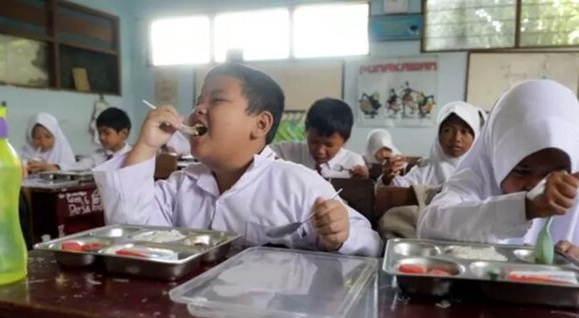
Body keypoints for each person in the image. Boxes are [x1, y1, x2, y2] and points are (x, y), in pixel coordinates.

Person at [93, 63, 381, 256]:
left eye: (216, 100)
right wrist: (146, 146)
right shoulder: (181, 185)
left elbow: (371, 243)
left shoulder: (297, 184)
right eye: (198, 101)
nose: (199, 109)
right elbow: (132, 235)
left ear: (260, 124)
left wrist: (341, 234)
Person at [418, 80, 579, 259]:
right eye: (522, 170)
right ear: (498, 157)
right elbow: (430, 227)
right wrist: (524, 207)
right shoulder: (477, 179)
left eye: (553, 175)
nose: (536, 186)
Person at [380, 101, 480, 188]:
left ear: (475, 136)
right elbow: (397, 189)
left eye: (464, 131)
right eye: (448, 130)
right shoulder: (424, 171)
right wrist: (387, 178)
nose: (456, 138)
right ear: (439, 136)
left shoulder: (482, 171)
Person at [271, 98, 368, 179]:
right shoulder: (287, 152)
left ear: (344, 141)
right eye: (314, 142)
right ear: (306, 132)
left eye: (329, 145)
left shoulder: (353, 163)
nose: (320, 151)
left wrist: (363, 180)